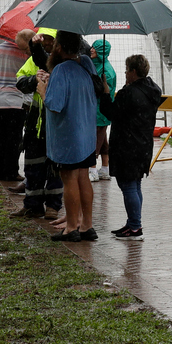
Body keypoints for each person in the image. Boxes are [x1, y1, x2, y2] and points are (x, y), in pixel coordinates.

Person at [97, 54, 164, 241]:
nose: (125, 73)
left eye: (127, 70)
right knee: (135, 184)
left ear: (134, 71)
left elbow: (110, 112)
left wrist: (105, 92)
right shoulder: (152, 90)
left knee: (128, 186)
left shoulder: (129, 93)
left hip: (127, 145)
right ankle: (133, 223)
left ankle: (135, 227)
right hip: (143, 144)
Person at [43, 32, 100, 243]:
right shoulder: (86, 63)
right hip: (87, 133)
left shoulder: (60, 70)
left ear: (59, 47)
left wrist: (43, 90)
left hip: (68, 136)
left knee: (69, 180)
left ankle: (71, 227)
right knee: (83, 177)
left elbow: (55, 105)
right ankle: (87, 225)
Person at [9, 29, 58, 217]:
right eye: (43, 39)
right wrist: (34, 80)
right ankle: (32, 205)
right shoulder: (33, 60)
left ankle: (53, 207)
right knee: (32, 167)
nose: (46, 42)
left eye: (49, 39)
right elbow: (20, 82)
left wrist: (50, 81)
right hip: (34, 124)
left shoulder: (62, 63)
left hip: (53, 124)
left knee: (55, 169)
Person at [0, 29, 34, 182]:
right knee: (14, 139)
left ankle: (0, 170)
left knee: (0, 137)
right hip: (16, 101)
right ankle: (12, 171)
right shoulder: (24, 53)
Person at [89, 39, 117, 182]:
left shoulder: (106, 71)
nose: (91, 49)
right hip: (98, 110)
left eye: (95, 48)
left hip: (99, 111)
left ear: (101, 52)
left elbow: (104, 91)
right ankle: (105, 168)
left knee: (95, 140)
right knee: (103, 140)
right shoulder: (97, 65)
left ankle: (92, 169)